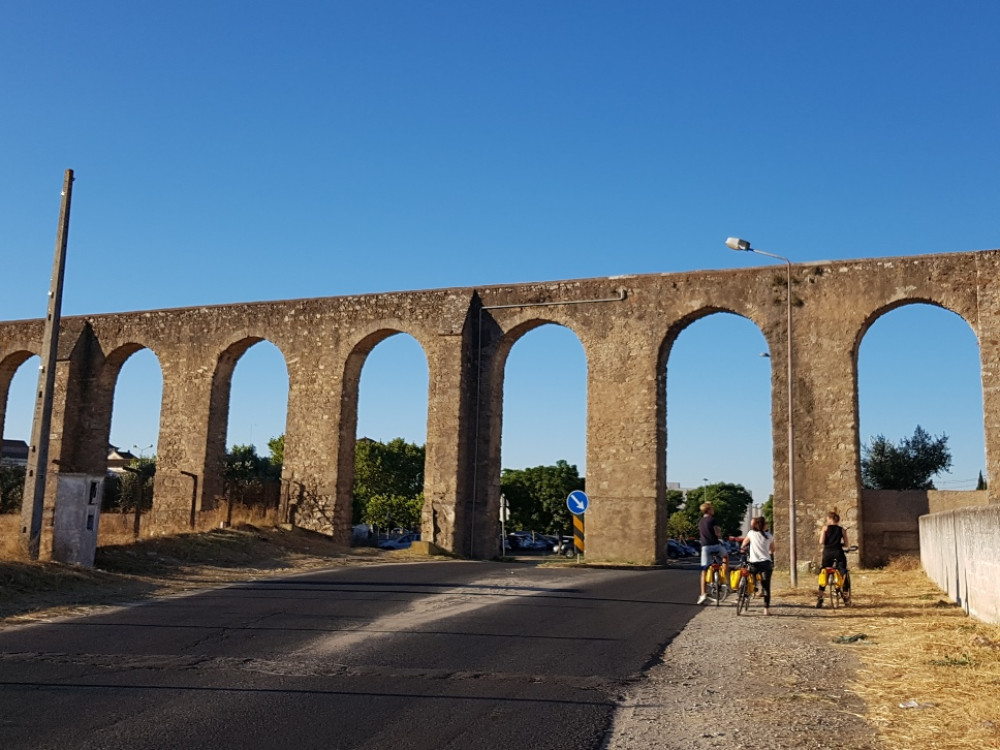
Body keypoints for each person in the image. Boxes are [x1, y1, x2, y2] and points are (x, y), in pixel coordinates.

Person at [740, 516, 775, 615]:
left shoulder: (751, 533)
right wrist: (767, 552)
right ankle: (766, 610)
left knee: (749, 573)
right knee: (766, 586)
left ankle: (748, 589)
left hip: (753, 563)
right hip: (766, 564)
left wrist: (743, 548)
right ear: (764, 525)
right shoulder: (769, 536)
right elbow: (772, 550)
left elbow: (744, 544)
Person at [817, 508, 851, 608]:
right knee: (843, 573)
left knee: (823, 573)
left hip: (827, 553)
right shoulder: (841, 529)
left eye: (827, 519)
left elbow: (821, 542)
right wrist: (839, 543)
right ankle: (846, 599)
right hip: (838, 553)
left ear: (830, 518)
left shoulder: (825, 528)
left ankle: (820, 599)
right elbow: (846, 543)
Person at [697, 501, 727, 604]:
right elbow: (717, 532)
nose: (713, 510)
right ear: (709, 510)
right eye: (712, 509)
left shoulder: (700, 521)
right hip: (715, 545)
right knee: (725, 556)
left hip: (705, 547)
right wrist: (719, 535)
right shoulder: (712, 520)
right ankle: (725, 578)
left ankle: (703, 593)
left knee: (703, 571)